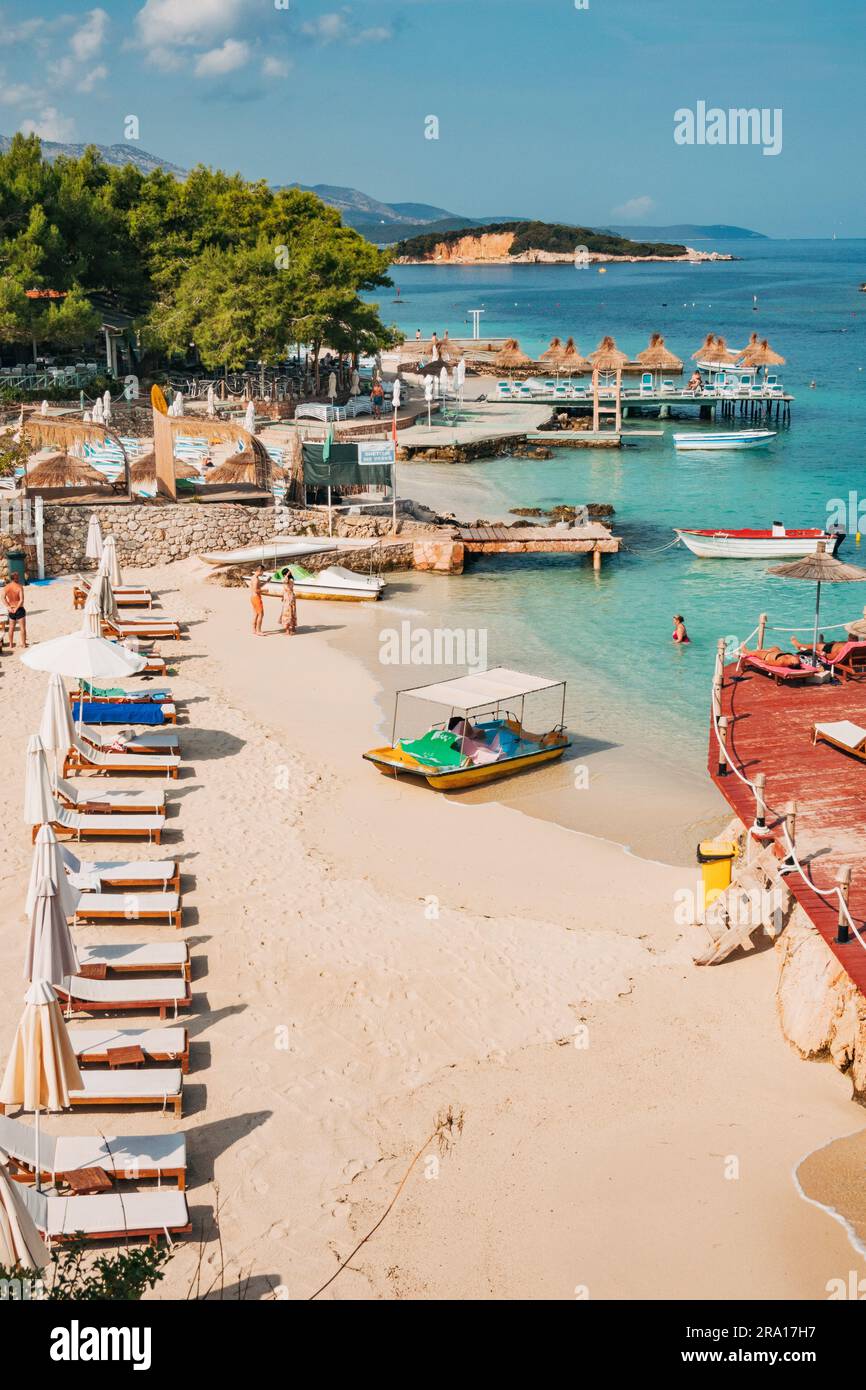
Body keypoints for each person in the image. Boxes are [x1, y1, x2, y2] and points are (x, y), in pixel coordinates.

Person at [3, 574, 27, 648]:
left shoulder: (7, 587)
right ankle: (23, 644)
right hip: (19, 609)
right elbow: (21, 600)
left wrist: (8, 607)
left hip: (11, 609)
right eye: (18, 577)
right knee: (22, 628)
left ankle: (10, 644)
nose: (19, 578)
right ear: (15, 578)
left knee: (11, 628)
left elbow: (2, 598)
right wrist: (16, 608)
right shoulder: (19, 587)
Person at [279, 569, 297, 636]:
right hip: (290, 596)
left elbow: (285, 582)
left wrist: (287, 574)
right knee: (291, 612)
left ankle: (288, 631)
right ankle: (293, 628)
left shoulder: (288, 579)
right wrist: (282, 596)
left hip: (289, 597)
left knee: (287, 613)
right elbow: (285, 588)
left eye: (284, 574)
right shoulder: (290, 579)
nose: (283, 576)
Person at [250, 566, 266, 636]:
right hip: (256, 598)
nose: (263, 573)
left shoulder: (253, 577)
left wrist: (266, 582)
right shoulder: (256, 579)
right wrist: (264, 590)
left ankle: (254, 629)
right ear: (260, 570)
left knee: (256, 614)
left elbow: (258, 586)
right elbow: (256, 590)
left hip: (253, 597)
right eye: (263, 571)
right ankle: (258, 630)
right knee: (261, 614)